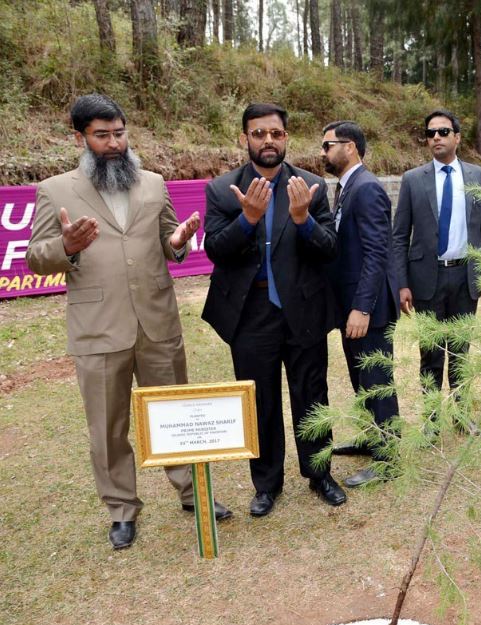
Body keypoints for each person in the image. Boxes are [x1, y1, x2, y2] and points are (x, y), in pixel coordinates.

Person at [26, 93, 231, 550]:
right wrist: (67, 245)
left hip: (157, 321)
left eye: (120, 133)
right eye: (102, 136)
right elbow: (36, 259)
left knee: (176, 413)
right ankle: (121, 509)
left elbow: (168, 239)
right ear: (80, 137)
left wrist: (177, 241)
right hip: (98, 328)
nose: (115, 143)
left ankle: (191, 492)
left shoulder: (154, 183)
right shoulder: (55, 190)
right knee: (107, 425)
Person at [202, 103, 344, 517]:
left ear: (286, 138)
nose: (268, 140)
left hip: (302, 309)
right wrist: (247, 219)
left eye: (276, 134)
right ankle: (266, 484)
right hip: (251, 314)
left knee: (312, 396)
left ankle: (319, 474)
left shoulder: (311, 185)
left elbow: (330, 249)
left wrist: (303, 221)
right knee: (259, 401)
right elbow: (215, 249)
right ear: (244, 138)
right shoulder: (222, 189)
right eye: (259, 133)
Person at [391, 109, 481, 408]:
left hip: (466, 278)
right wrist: (401, 283)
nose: (436, 137)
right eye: (430, 133)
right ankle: (430, 420)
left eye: (442, 132)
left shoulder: (480, 177)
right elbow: (399, 236)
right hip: (427, 279)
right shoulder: (413, 180)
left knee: (460, 351)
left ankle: (461, 412)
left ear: (457, 137)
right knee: (430, 354)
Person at [322, 120, 401, 488]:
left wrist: (362, 307)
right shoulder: (347, 186)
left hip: (368, 310)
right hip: (352, 306)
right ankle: (373, 437)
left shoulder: (367, 189)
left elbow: (375, 253)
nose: (323, 152)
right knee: (361, 378)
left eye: (328, 145)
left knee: (376, 379)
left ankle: (388, 458)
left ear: (349, 146)